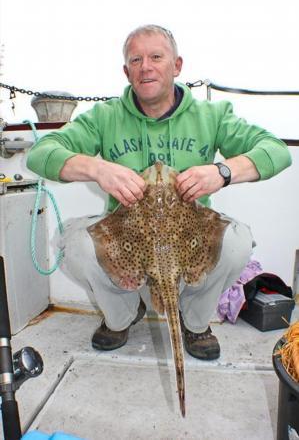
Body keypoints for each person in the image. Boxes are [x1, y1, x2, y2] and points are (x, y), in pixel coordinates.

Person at [27, 24, 291, 360]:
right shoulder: (105, 116)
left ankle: (194, 322)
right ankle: (121, 315)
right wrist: (98, 168)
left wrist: (222, 172)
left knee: (238, 240)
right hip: (129, 237)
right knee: (74, 243)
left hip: (189, 236)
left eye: (155, 57)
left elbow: (277, 150)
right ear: (126, 72)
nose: (145, 67)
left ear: (177, 66)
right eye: (135, 60)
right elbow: (41, 153)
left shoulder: (212, 116)